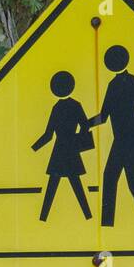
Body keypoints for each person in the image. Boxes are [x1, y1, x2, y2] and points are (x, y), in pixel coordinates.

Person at [88, 44, 134, 227]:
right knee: (117, 179)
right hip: (124, 141)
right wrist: (85, 124)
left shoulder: (123, 83)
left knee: (128, 182)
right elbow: (105, 116)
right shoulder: (121, 83)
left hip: (128, 141)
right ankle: (109, 224)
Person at [31, 70, 94, 222]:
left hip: (59, 151)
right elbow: (85, 126)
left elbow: (48, 135)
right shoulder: (76, 105)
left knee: (54, 185)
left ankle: (43, 218)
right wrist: (78, 139)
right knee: (75, 184)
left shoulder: (57, 108)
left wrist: (34, 148)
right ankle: (88, 216)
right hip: (71, 149)